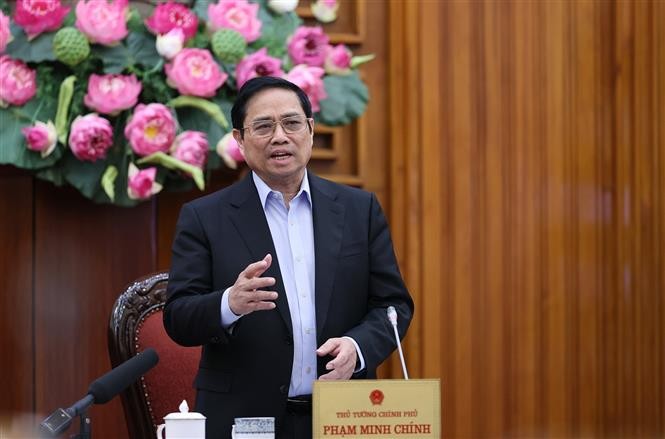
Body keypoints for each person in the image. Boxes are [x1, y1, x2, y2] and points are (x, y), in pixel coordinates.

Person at [163, 76, 413, 439]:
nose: (280, 136)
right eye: (263, 126)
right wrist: (228, 304)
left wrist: (357, 348)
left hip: (343, 417)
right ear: (239, 140)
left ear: (310, 131)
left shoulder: (360, 210)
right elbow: (178, 318)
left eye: (292, 123)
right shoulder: (204, 217)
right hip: (244, 419)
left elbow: (393, 306)